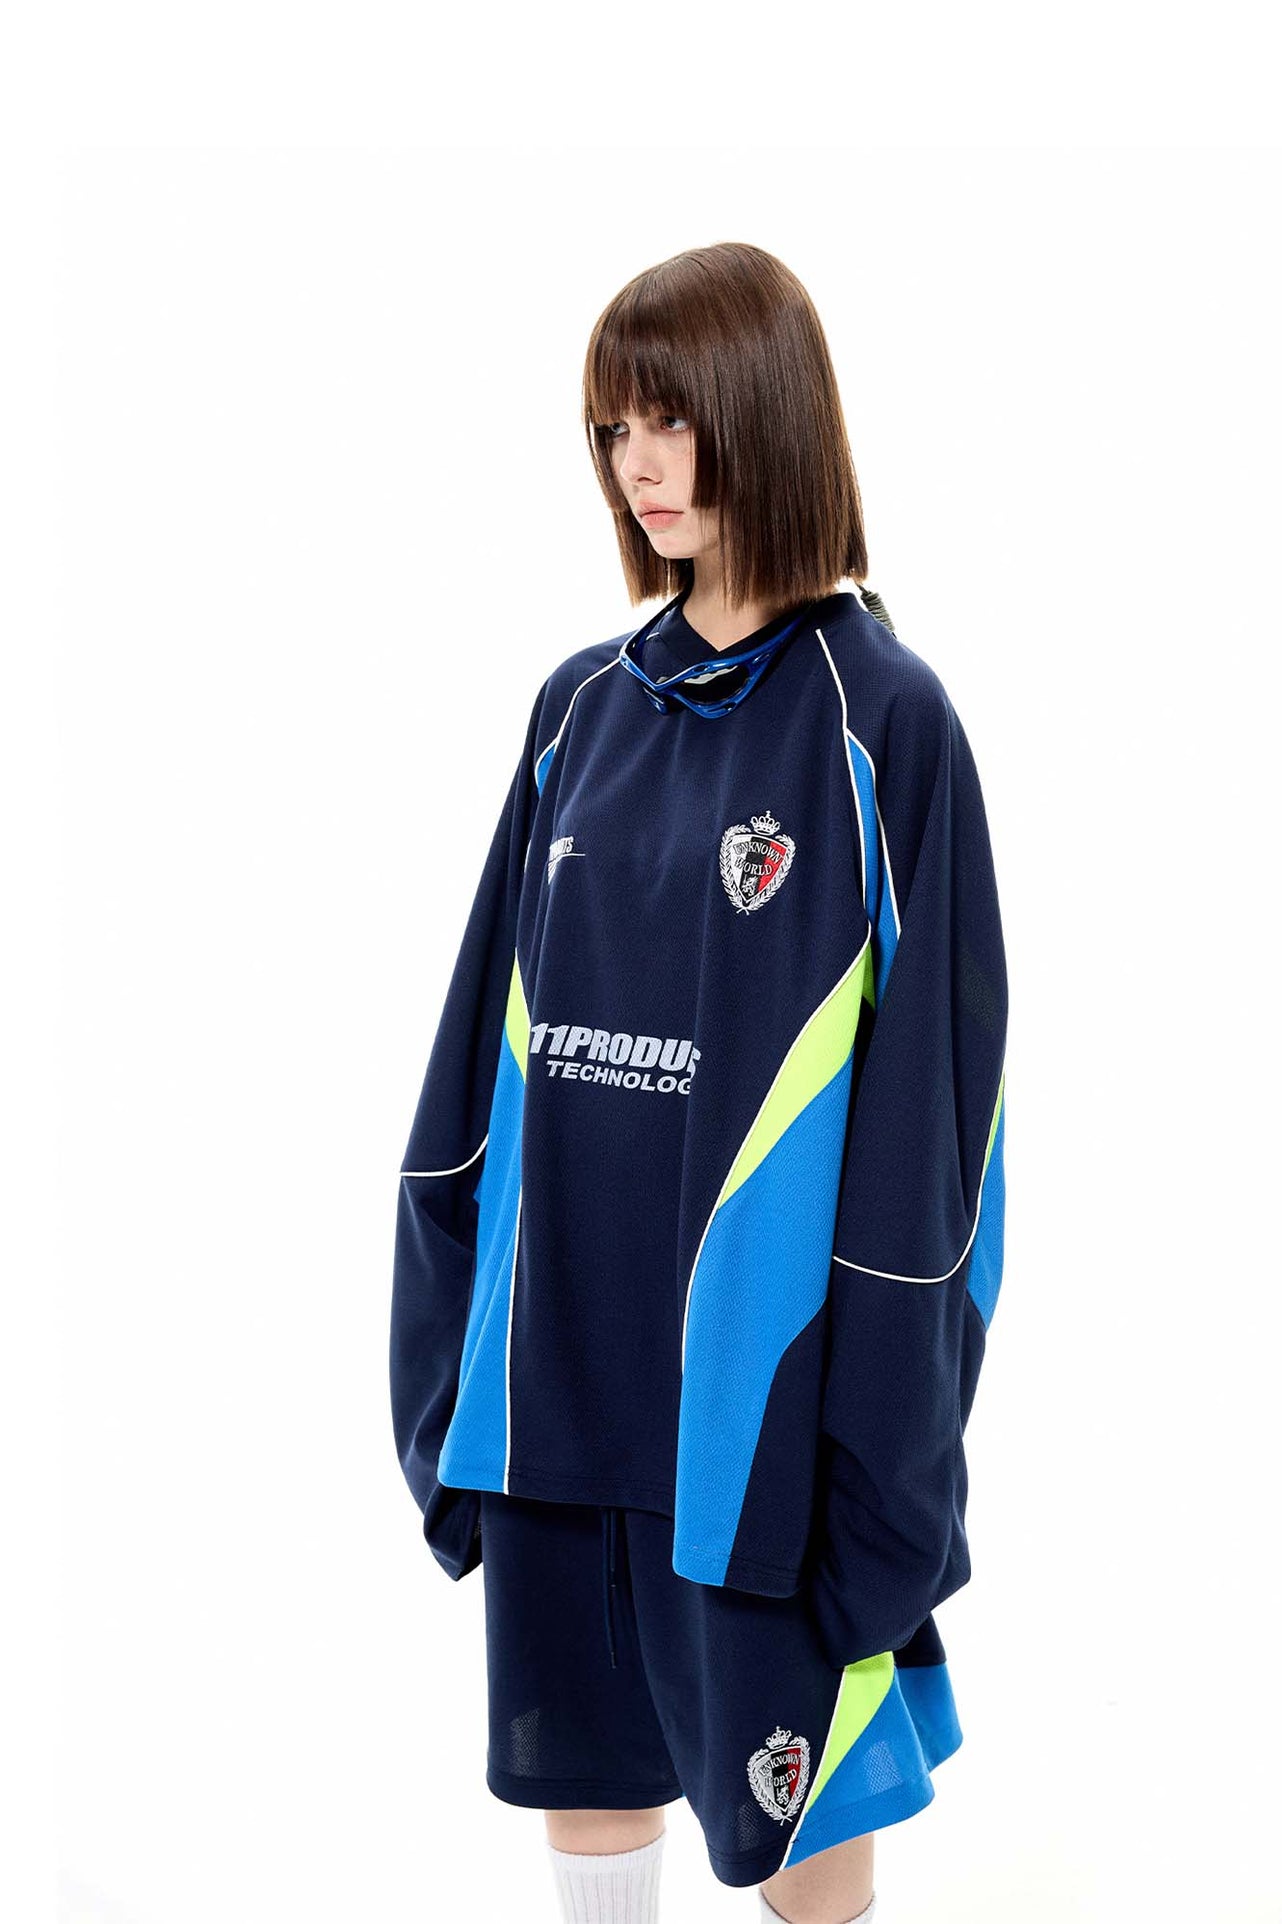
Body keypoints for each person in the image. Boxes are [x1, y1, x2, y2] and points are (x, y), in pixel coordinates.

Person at [389, 241, 1009, 1924]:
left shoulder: (882, 722)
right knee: (590, 1802)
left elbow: (938, 1138)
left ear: (768, 415)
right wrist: (443, 1378)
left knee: (798, 1840)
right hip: (558, 1399)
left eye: (670, 420)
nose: (638, 466)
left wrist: (886, 1463)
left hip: (761, 1425)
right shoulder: (576, 711)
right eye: (613, 428)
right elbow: (471, 1067)